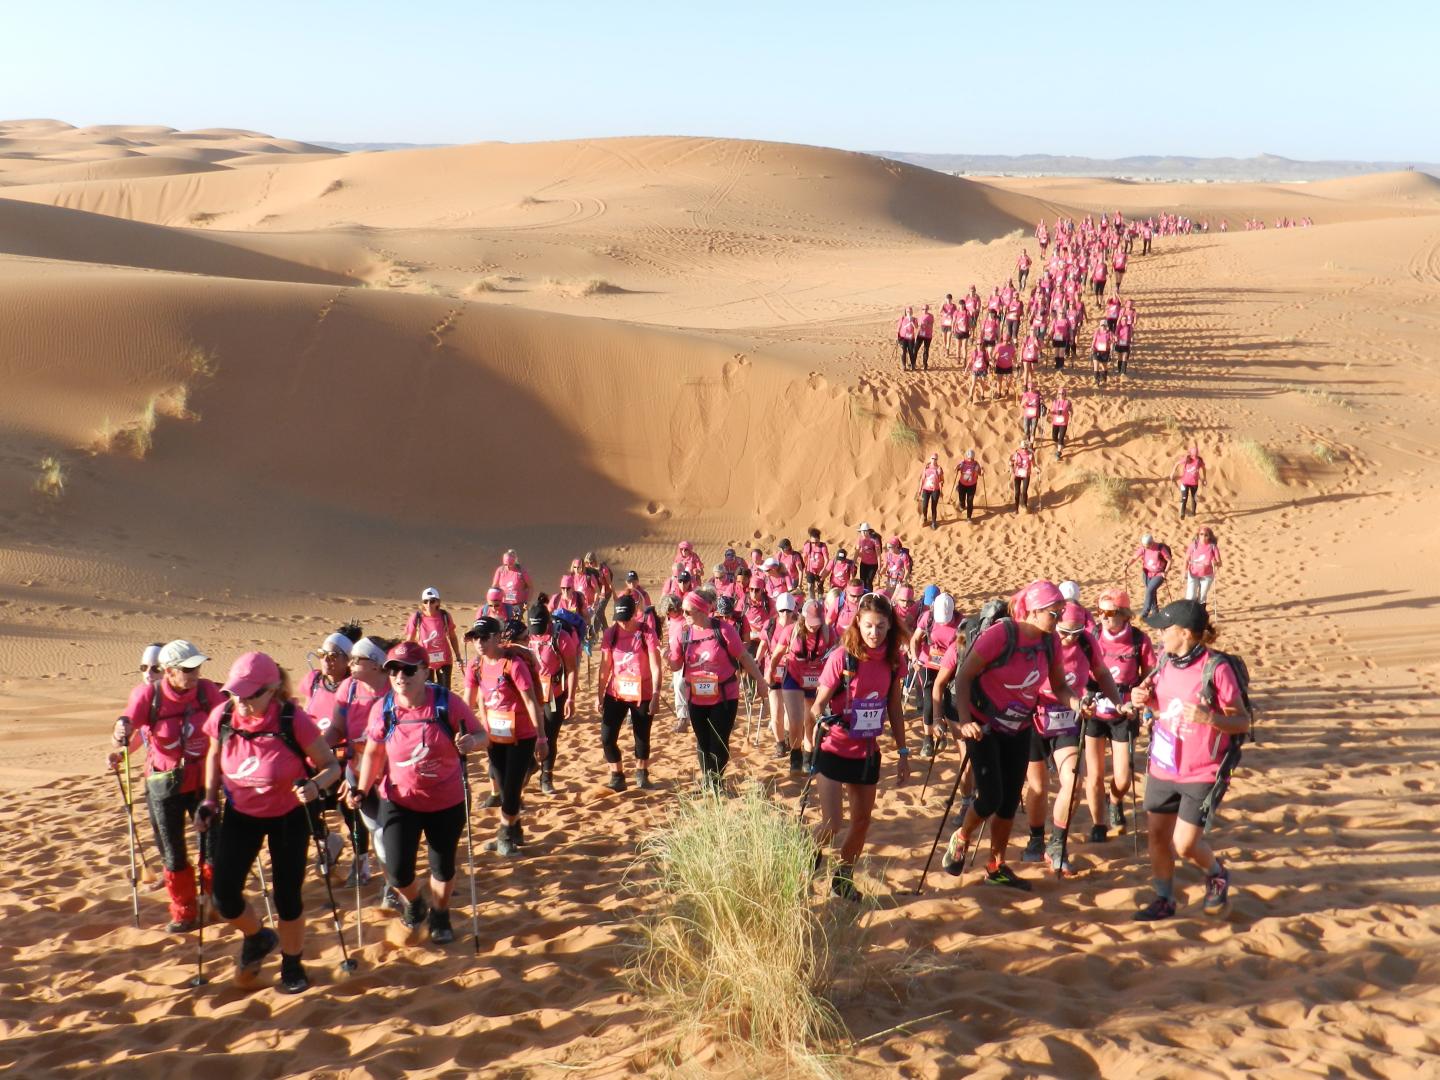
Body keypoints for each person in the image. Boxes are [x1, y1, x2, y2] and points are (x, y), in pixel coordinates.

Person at [198, 652, 342, 992]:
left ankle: (292, 964)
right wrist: (208, 800)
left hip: (289, 815)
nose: (242, 702)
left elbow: (331, 767)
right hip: (240, 813)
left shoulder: (293, 720)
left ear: (272, 690)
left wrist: (314, 786)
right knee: (223, 897)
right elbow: (213, 757)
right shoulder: (223, 717)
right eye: (237, 693)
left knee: (287, 897)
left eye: (251, 695)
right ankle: (257, 936)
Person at [937, 581, 1086, 889]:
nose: (1058, 620)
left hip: (1018, 727)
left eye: (1060, 613)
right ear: (1033, 611)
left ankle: (996, 866)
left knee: (1007, 804)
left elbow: (1059, 686)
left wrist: (1079, 703)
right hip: (983, 725)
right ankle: (961, 837)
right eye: (1053, 614)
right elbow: (964, 676)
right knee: (990, 796)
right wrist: (964, 721)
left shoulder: (1050, 642)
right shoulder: (1001, 635)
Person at [345, 642, 485, 946]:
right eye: (393, 669)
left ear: (424, 671)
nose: (400, 676)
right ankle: (415, 903)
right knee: (396, 871)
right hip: (399, 799)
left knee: (443, 865)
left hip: (446, 800)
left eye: (408, 669)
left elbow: (482, 735)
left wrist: (471, 742)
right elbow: (373, 753)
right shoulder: (384, 709)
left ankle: (440, 914)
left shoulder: (447, 703)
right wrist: (361, 788)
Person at [1130, 601, 1250, 920]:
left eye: (1165, 630)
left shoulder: (1216, 668)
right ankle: (1164, 898)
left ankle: (1216, 873)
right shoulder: (1164, 662)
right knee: (1157, 834)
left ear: (1185, 633)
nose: (1160, 635)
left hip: (1202, 770)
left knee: (1184, 844)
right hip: (1163, 764)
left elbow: (1242, 721)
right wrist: (1141, 698)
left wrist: (1208, 717)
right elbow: (1159, 704)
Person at [108, 639, 221, 933]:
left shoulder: (207, 691)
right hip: (165, 784)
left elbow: (230, 715)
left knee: (212, 847)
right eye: (187, 668)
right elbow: (127, 723)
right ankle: (183, 910)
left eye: (197, 666)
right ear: (169, 671)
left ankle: (213, 901)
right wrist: (120, 735)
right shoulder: (149, 695)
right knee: (173, 851)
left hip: (202, 782)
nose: (195, 673)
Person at [809, 592, 910, 901]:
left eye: (881, 626)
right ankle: (806, 855)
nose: (874, 633)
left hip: (867, 752)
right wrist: (822, 720)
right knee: (831, 824)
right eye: (868, 626)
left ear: (890, 627)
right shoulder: (843, 657)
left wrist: (904, 752)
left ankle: (842, 877)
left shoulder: (895, 660)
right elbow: (817, 706)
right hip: (834, 748)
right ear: (857, 624)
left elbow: (894, 706)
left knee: (861, 822)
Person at [1022, 603, 1123, 872]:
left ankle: (1057, 843)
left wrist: (1118, 702)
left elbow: (1101, 673)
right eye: (1066, 632)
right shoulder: (1040, 642)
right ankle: (1035, 839)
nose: (1071, 638)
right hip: (1034, 719)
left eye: (1077, 632)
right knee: (1039, 787)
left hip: (1068, 718)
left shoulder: (1087, 643)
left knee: (1074, 781)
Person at [463, 618, 545, 856]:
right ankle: (516, 829)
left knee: (510, 790)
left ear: (497, 637)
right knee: (503, 786)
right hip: (494, 737)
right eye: (475, 637)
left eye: (484, 636)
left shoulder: (514, 665)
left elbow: (531, 702)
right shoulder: (475, 666)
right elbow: (467, 702)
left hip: (522, 736)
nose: (479, 642)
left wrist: (541, 738)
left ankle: (504, 834)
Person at [668, 591, 765, 790]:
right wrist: (667, 657)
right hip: (695, 697)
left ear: (702, 610)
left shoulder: (724, 630)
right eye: (682, 611)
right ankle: (709, 781)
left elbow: (744, 657)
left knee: (719, 742)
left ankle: (716, 780)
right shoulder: (683, 633)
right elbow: (676, 666)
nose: (683, 614)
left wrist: (761, 681)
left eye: (688, 611)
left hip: (724, 696)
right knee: (702, 742)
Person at [1085, 589, 1157, 841]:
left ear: (1125, 614)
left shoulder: (1139, 640)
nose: (1104, 617)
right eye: (1100, 612)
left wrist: (1144, 697)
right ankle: (1098, 824)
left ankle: (1114, 800)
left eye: (1111, 612)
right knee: (1093, 775)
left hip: (1124, 713)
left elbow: (1149, 675)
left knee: (1123, 778)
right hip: (1094, 712)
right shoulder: (1091, 636)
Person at [332, 636, 390, 894]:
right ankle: (392, 885)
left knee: (390, 829)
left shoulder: (395, 688)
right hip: (357, 771)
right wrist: (317, 749)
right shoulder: (348, 688)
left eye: (357, 659)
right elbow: (336, 727)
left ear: (376, 664)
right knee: (376, 829)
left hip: (391, 773)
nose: (351, 663)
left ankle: (396, 882)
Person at [596, 594, 663, 790]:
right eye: (619, 619)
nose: (623, 624)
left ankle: (642, 773)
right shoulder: (611, 633)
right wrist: (599, 695)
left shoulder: (646, 632)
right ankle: (617, 775)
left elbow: (656, 665)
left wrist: (656, 694)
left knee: (641, 736)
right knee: (607, 737)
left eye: (626, 619)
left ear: (634, 614)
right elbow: (605, 666)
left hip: (642, 692)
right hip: (616, 692)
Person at [302, 631, 356, 872]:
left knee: (350, 812)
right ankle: (329, 840)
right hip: (315, 757)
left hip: (344, 760)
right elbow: (306, 712)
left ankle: (360, 858)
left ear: (347, 660)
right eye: (323, 655)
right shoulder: (313, 680)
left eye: (334, 656)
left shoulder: (354, 685)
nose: (327, 660)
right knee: (306, 809)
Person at [770, 598, 837, 774]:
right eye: (811, 623)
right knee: (796, 720)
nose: (814, 627)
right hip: (793, 676)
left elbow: (836, 656)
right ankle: (795, 755)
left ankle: (808, 757)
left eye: (818, 623)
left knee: (811, 721)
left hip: (816, 680)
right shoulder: (791, 631)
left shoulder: (828, 632)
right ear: (802, 617)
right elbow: (776, 655)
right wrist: (769, 674)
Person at [525, 605, 578, 794]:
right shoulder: (526, 637)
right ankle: (531, 764)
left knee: (549, 736)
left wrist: (571, 698)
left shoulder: (560, 637)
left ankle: (546, 777)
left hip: (554, 694)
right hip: (530, 693)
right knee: (528, 734)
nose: (537, 635)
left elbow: (571, 669)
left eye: (540, 630)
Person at [912, 592, 960, 758]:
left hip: (949, 666)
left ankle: (942, 728)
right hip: (927, 662)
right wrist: (914, 657)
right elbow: (915, 639)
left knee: (947, 699)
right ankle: (928, 738)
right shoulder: (928, 618)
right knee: (929, 699)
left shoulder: (961, 622)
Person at [761, 593, 801, 759]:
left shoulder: (799, 626)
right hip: (773, 672)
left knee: (789, 713)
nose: (785, 614)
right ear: (778, 610)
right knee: (776, 712)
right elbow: (763, 644)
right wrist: (757, 659)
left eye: (788, 611)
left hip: (792, 673)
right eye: (782, 611)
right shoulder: (770, 625)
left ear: (794, 610)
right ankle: (779, 745)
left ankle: (786, 737)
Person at [404, 588, 460, 688]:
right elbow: (410, 641)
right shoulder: (416, 617)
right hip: (424, 662)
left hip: (444, 661)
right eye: (426, 601)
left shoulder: (445, 616)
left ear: (438, 602)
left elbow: (452, 636)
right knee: (427, 693)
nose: (429, 604)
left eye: (432, 601)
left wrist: (458, 656)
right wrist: (407, 659)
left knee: (445, 692)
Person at [1125, 533, 1173, 620]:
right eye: (1144, 545)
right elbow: (1134, 557)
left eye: (1147, 545)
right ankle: (1155, 612)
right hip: (1147, 573)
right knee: (1151, 592)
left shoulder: (1160, 548)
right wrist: (1127, 565)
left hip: (1159, 573)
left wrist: (1165, 572)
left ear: (1152, 542)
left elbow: (1169, 560)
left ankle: (1144, 614)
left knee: (1150, 590)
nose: (1146, 547)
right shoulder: (1143, 548)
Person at [1184, 526, 1222, 603]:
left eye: (1206, 535)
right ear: (1198, 535)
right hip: (1193, 574)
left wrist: (1216, 563)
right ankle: (1190, 613)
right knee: (1190, 596)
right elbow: (1186, 559)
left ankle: (1200, 613)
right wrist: (1184, 571)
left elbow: (1220, 563)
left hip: (1207, 575)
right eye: (1201, 534)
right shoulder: (1193, 545)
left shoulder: (1212, 547)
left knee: (1202, 597)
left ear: (1209, 536)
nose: (1203, 537)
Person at [1170, 446, 1207, 519]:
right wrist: (1172, 472)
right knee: (1184, 498)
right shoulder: (1187, 459)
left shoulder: (1199, 461)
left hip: (1194, 483)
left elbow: (1203, 469)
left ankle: (1193, 513)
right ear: (1191, 452)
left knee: (1194, 498)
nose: (1196, 453)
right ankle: (1182, 514)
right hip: (1185, 482)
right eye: (1194, 451)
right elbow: (1177, 463)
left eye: (1197, 451)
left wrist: (1204, 478)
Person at [801, 528, 830, 600]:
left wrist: (823, 570)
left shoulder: (823, 546)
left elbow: (826, 559)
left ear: (819, 540)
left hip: (820, 571)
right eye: (812, 542)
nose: (814, 544)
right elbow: (804, 557)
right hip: (810, 570)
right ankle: (812, 601)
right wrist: (804, 566)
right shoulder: (808, 545)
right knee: (810, 586)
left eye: (816, 542)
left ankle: (820, 601)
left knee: (820, 586)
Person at [917, 454, 944, 530]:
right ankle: (925, 518)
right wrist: (919, 490)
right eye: (932, 458)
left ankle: (933, 522)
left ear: (937, 460)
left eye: (935, 459)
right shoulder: (926, 468)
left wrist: (941, 491)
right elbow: (922, 479)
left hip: (935, 490)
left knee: (933, 506)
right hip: (926, 489)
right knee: (924, 505)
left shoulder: (939, 469)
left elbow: (941, 480)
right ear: (930, 459)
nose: (934, 460)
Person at [954, 450, 982, 521]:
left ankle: (969, 517)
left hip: (971, 485)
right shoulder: (963, 463)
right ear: (967, 456)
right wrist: (956, 468)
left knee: (970, 501)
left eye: (971, 457)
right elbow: (956, 469)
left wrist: (981, 472)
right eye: (969, 457)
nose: (970, 459)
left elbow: (979, 473)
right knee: (961, 498)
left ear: (973, 457)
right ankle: (962, 506)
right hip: (962, 484)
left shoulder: (976, 464)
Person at [1011, 440, 1036, 513]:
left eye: (1025, 448)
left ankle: (1025, 506)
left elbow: (1034, 465)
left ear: (1027, 448)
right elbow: (1010, 461)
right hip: (1017, 475)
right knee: (1017, 492)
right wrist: (1011, 468)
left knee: (1024, 491)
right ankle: (1016, 508)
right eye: (1022, 448)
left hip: (1026, 475)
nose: (1024, 449)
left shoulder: (1030, 454)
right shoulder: (1016, 454)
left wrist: (1037, 469)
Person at [1050, 386, 1073, 461]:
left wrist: (1070, 412)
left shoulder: (1068, 402)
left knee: (1061, 438)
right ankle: (1061, 443)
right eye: (1060, 393)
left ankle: (1058, 453)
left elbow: (1071, 410)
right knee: (1054, 437)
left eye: (1063, 393)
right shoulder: (1055, 402)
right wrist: (1049, 412)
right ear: (1058, 394)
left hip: (1063, 423)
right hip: (1056, 422)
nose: (1061, 395)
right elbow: (1052, 411)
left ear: (1065, 394)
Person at [855, 524, 879, 591]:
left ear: (866, 531)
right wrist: (853, 562)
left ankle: (869, 595)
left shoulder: (874, 540)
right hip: (863, 563)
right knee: (862, 581)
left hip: (873, 564)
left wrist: (879, 567)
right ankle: (863, 595)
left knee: (868, 581)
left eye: (862, 531)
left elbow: (878, 554)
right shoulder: (860, 539)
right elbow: (857, 551)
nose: (861, 533)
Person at [917, 305, 934, 370]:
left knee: (926, 349)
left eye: (926, 309)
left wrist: (926, 324)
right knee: (915, 349)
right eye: (923, 309)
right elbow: (917, 325)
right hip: (920, 335)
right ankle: (913, 363)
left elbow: (931, 326)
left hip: (928, 335)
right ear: (922, 310)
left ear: (928, 309)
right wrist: (918, 325)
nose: (925, 310)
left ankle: (925, 365)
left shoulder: (930, 316)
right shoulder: (920, 316)